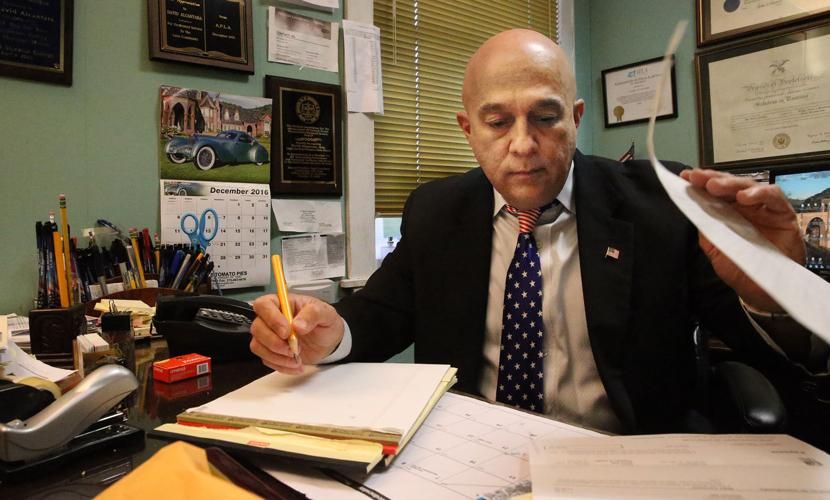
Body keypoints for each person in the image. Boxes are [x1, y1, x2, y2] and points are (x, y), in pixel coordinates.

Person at [250, 29, 809, 434]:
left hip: (622, 461)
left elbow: (783, 352)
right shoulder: (436, 210)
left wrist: (777, 287)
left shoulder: (659, 205)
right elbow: (379, 316)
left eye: (545, 117)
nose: (522, 144)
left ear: (577, 117)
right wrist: (332, 333)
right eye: (497, 122)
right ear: (468, 129)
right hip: (467, 458)